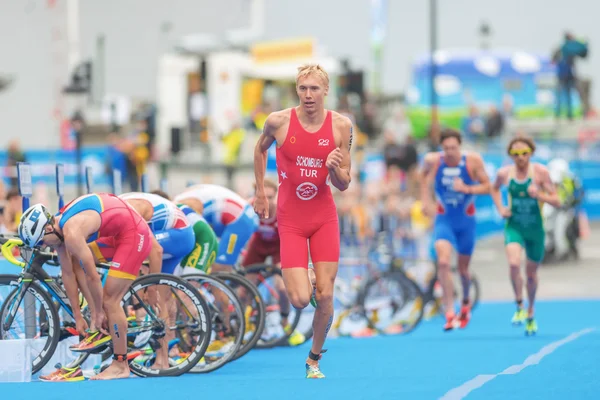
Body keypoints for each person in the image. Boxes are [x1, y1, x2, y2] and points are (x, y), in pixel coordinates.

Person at [253, 64, 352, 379]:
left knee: (325, 295)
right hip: (291, 219)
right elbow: (259, 150)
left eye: (314, 89)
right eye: (303, 88)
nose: (308, 95)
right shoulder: (279, 122)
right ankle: (307, 276)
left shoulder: (341, 126)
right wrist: (260, 193)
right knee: (298, 299)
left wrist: (335, 168)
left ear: (325, 91)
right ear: (297, 90)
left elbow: (344, 183)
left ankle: (313, 359)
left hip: (323, 217)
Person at [17, 194, 152, 380]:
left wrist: (98, 312)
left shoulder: (71, 232)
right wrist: (78, 316)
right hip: (119, 234)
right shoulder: (57, 232)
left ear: (48, 228)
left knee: (110, 301)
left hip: (135, 234)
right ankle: (103, 323)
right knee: (74, 264)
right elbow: (68, 274)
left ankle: (120, 365)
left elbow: (92, 276)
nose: (44, 247)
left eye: (41, 242)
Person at [420, 128, 491, 331]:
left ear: (459, 146)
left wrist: (467, 189)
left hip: (466, 221)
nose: (450, 151)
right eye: (446, 148)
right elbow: (423, 176)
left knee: (462, 269)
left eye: (454, 147)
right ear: (441, 148)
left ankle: (466, 302)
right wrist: (426, 201)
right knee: (443, 262)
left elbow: (488, 186)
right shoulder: (434, 161)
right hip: (445, 219)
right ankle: (449, 311)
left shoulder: (472, 161)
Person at [116, 191, 196, 368]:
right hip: (177, 233)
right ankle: (164, 358)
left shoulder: (125, 210)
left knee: (152, 290)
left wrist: (150, 288)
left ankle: (157, 349)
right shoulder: (117, 207)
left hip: (177, 235)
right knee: (163, 299)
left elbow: (156, 250)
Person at [490, 137, 561, 335]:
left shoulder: (540, 173)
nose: (520, 158)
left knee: (531, 273)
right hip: (515, 226)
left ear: (531, 153)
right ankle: (519, 305)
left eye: (524, 154)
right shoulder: (504, 173)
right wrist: (501, 208)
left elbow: (556, 200)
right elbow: (493, 188)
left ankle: (531, 310)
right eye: (516, 154)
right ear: (510, 155)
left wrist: (539, 195)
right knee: (513, 264)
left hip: (535, 229)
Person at [243, 178, 305, 346]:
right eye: (263, 197)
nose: (267, 201)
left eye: (271, 197)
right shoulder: (249, 208)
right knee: (244, 288)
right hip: (258, 245)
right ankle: (244, 326)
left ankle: (285, 323)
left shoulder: (283, 210)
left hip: (279, 246)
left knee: (282, 287)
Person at [173, 184, 259, 272]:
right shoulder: (180, 199)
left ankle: (218, 284)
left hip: (240, 220)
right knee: (211, 258)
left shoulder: (178, 205)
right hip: (238, 217)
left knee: (220, 266)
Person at [545, 158, 585, 261]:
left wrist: (572, 203)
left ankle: (565, 251)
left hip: (565, 210)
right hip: (554, 209)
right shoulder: (549, 180)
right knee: (549, 228)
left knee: (561, 231)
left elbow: (579, 193)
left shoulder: (570, 179)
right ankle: (550, 249)